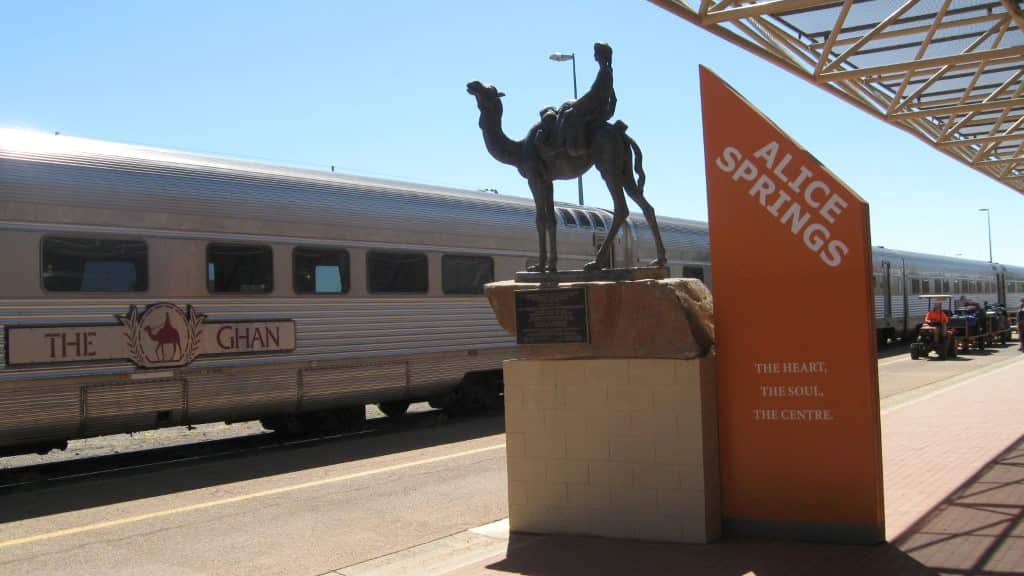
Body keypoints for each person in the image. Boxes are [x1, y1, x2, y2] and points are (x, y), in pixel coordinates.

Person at [535, 42, 617, 158]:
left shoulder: (605, 72)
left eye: (596, 53)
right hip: (597, 103)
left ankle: (559, 144)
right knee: (566, 106)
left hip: (597, 106)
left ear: (601, 55)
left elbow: (594, 93)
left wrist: (578, 103)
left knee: (567, 113)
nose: (595, 55)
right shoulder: (606, 70)